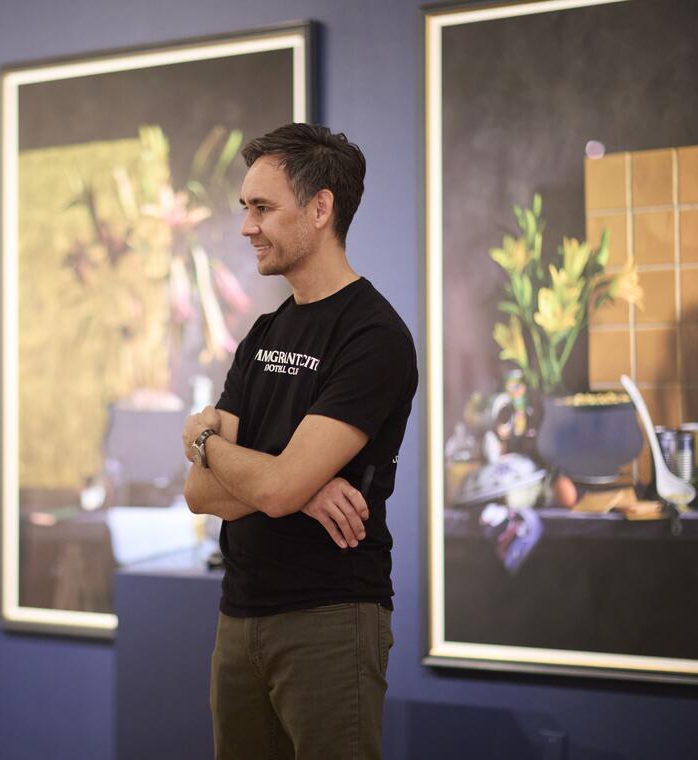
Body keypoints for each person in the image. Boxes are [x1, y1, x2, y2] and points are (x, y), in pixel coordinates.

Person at [182, 124, 417, 760]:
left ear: (320, 209)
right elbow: (200, 494)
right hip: (239, 616)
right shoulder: (261, 334)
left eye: (263, 208)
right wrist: (293, 485)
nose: (247, 226)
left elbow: (269, 484)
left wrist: (207, 439)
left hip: (330, 618)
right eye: (245, 209)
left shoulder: (374, 337)